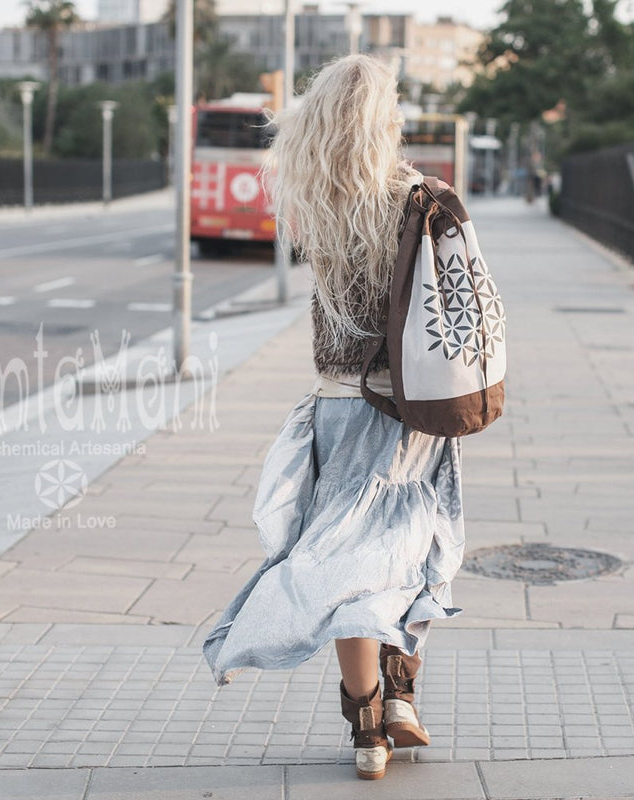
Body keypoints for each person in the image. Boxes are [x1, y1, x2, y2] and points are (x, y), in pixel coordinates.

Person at [201, 54, 467, 781]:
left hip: (338, 404)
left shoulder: (310, 198)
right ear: (386, 119)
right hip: (412, 405)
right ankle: (403, 697)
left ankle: (368, 727)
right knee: (414, 550)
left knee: (346, 564)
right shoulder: (423, 198)